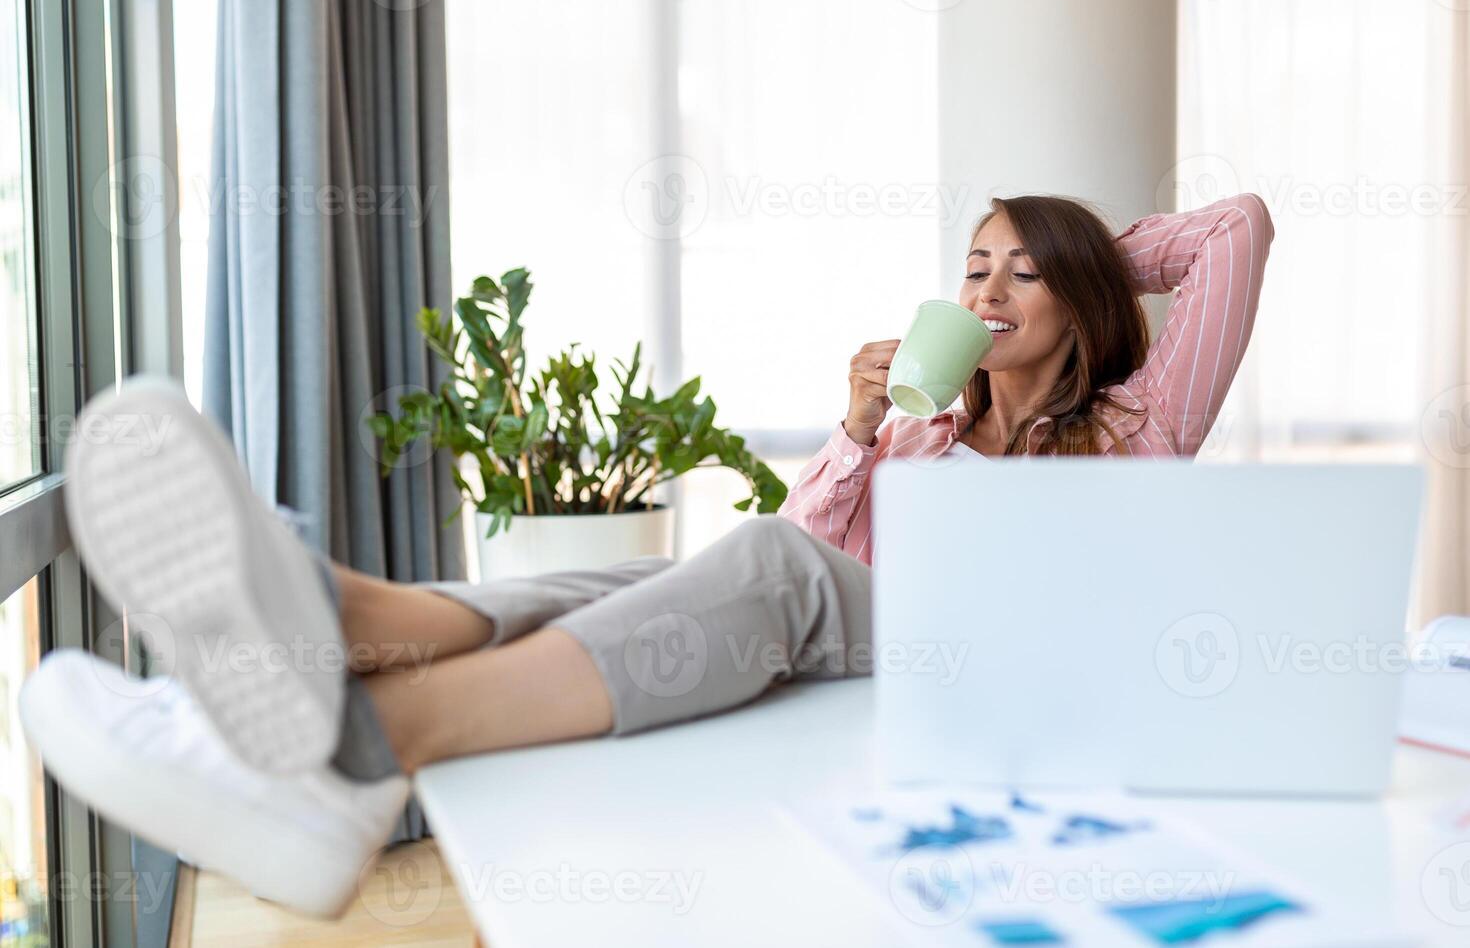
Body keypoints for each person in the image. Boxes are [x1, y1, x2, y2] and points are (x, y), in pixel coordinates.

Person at [20, 192, 1273, 916]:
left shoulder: (1137, 425)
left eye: (1022, 273)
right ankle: (309, 631)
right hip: (875, 635)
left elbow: (1237, 231)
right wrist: (857, 431)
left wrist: (1090, 247)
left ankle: (360, 754)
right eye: (970, 268)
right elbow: (809, 546)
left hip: (985, 670)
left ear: (1083, 296)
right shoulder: (930, 429)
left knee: (767, 573)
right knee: (635, 582)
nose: (986, 288)